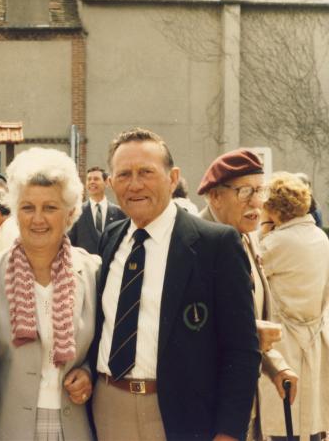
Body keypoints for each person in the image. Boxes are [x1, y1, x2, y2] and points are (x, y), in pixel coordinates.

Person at [90, 127, 260, 441]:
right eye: (124, 174)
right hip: (108, 407)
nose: (135, 184)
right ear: (111, 183)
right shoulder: (111, 238)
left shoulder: (215, 244)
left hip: (181, 414)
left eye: (146, 172)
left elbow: (242, 350)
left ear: (172, 177)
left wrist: (228, 432)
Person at [0, 147, 99, 440]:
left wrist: (88, 373)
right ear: (16, 212)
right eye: (28, 207)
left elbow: (101, 349)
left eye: (50, 208)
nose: (37, 219)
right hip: (5, 427)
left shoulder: (92, 272)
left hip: (74, 427)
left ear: (69, 214)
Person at [197, 149, 298, 440]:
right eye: (245, 192)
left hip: (242, 399)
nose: (257, 202)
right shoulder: (196, 244)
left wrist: (277, 366)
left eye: (260, 190)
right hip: (210, 408)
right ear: (215, 196)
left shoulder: (246, 238)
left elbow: (248, 319)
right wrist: (250, 335)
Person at [257, 172, 329, 441]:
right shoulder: (321, 238)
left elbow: (251, 270)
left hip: (283, 338)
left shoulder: (276, 243)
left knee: (283, 419)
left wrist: (263, 229)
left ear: (274, 208)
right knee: (310, 420)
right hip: (315, 334)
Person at [67, 166, 126, 254]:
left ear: (106, 182)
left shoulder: (119, 212)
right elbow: (70, 244)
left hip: (111, 265)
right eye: (89, 179)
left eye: (96, 179)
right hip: (85, 266)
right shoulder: (76, 212)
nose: (92, 182)